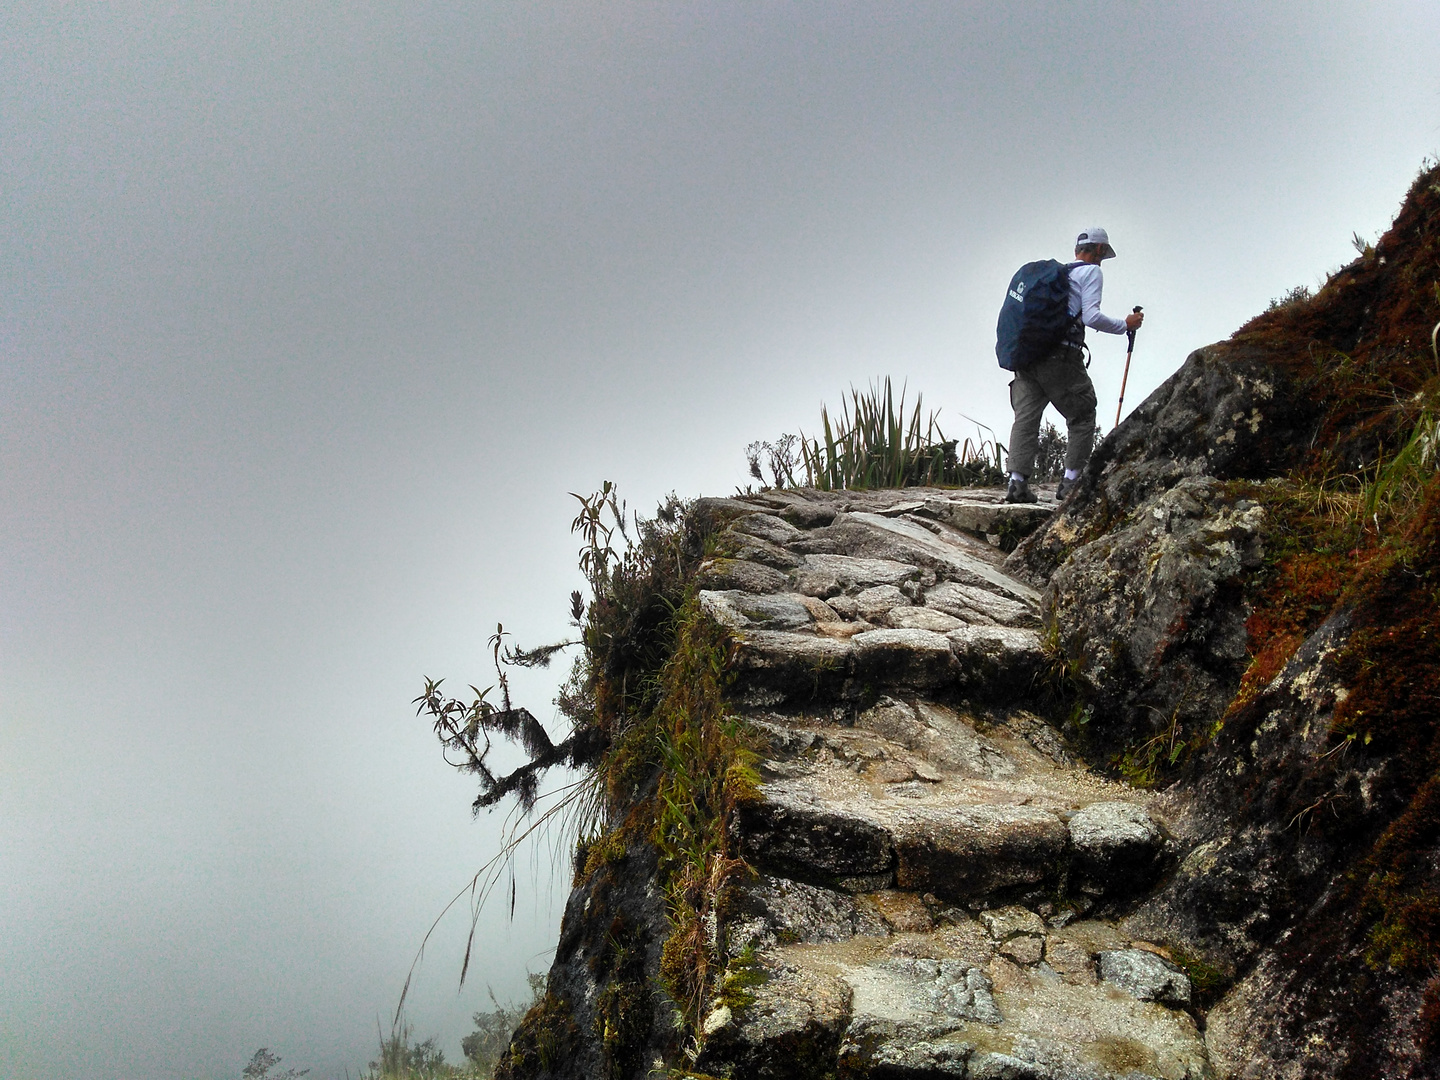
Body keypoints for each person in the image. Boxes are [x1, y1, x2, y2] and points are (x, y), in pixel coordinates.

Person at [1004, 227, 1143, 503]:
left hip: (1029, 355)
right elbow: (1090, 316)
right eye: (1104, 254)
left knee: (1026, 418)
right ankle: (1072, 483)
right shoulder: (1091, 272)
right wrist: (1124, 325)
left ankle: (1016, 483)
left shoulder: (1058, 275)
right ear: (1100, 250)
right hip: (1060, 356)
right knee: (1082, 414)